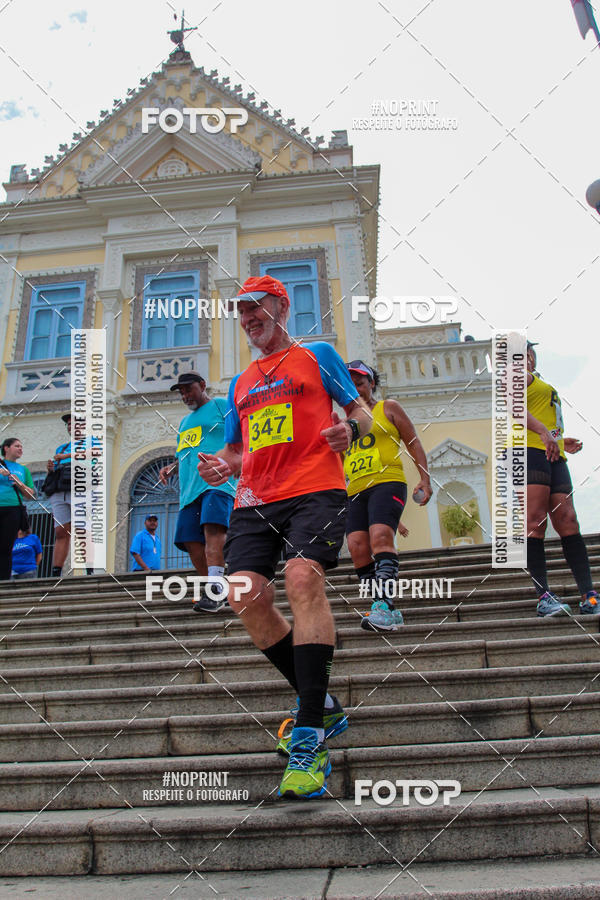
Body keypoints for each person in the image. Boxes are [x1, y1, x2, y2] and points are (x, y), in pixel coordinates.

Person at [197, 274, 372, 801]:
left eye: (257, 306)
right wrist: (218, 467)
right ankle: (320, 705)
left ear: (282, 305)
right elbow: (235, 452)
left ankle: (309, 735)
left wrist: (352, 431)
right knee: (244, 595)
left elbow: (360, 413)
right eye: (242, 311)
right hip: (254, 498)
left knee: (301, 577)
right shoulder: (240, 382)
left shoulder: (317, 355)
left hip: (315, 489)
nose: (249, 317)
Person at [343, 360, 432, 631]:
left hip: (387, 482)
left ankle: (382, 605)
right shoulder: (343, 421)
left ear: (371, 383)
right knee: (357, 548)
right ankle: (382, 607)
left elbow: (413, 441)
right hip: (355, 489)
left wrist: (425, 479)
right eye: (351, 384)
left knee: (381, 537)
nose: (356, 388)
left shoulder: (388, 408)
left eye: (361, 382)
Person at [526, 341, 598, 616]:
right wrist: (545, 435)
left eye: (530, 354)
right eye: (521, 354)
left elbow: (539, 418)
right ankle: (543, 595)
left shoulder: (540, 383)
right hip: (526, 452)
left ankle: (588, 594)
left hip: (553, 454)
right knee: (535, 521)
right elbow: (514, 410)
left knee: (568, 519)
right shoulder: (513, 377)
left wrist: (557, 438)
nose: (528, 358)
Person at [159, 372, 237, 613]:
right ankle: (216, 589)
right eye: (181, 392)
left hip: (217, 482)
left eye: (188, 389)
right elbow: (186, 453)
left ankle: (214, 592)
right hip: (189, 490)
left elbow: (240, 437)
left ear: (203, 385)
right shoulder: (184, 423)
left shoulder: (221, 405)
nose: (185, 395)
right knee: (191, 542)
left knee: (212, 531)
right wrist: (172, 468)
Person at [0, 438, 36, 580]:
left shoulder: (23, 469)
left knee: (6, 547)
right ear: (6, 448)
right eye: (17, 446)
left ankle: (3, 580)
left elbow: (30, 494)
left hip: (13, 509)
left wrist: (18, 482)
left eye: (21, 446)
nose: (20, 449)